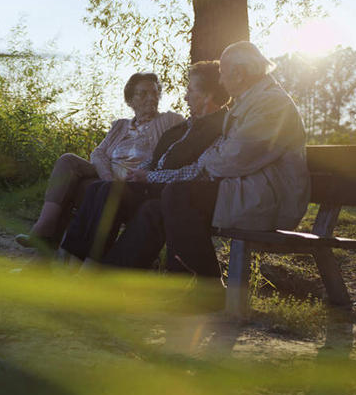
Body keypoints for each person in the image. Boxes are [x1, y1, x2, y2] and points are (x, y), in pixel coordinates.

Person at [102, 42, 309, 306]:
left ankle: (208, 291)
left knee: (178, 196)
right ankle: (109, 280)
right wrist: (207, 160)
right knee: (157, 207)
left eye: (223, 72)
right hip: (243, 189)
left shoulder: (271, 103)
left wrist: (200, 163)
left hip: (268, 199)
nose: (221, 80)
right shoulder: (250, 103)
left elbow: (230, 159)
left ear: (240, 73)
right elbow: (221, 157)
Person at [59, 61, 229, 262]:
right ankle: (68, 259)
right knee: (101, 188)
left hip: (166, 191)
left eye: (190, 90)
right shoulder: (185, 126)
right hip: (148, 186)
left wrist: (149, 176)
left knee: (110, 192)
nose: (185, 96)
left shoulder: (217, 129)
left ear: (208, 96)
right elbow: (153, 158)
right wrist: (137, 172)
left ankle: (88, 265)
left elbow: (197, 171)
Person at [15, 72, 183, 250]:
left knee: (77, 188)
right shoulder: (120, 125)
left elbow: (171, 152)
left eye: (155, 93)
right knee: (67, 161)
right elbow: (98, 154)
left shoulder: (169, 120)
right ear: (130, 100)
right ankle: (44, 226)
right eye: (143, 93)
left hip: (135, 182)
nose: (151, 98)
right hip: (108, 176)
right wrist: (108, 177)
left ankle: (46, 251)